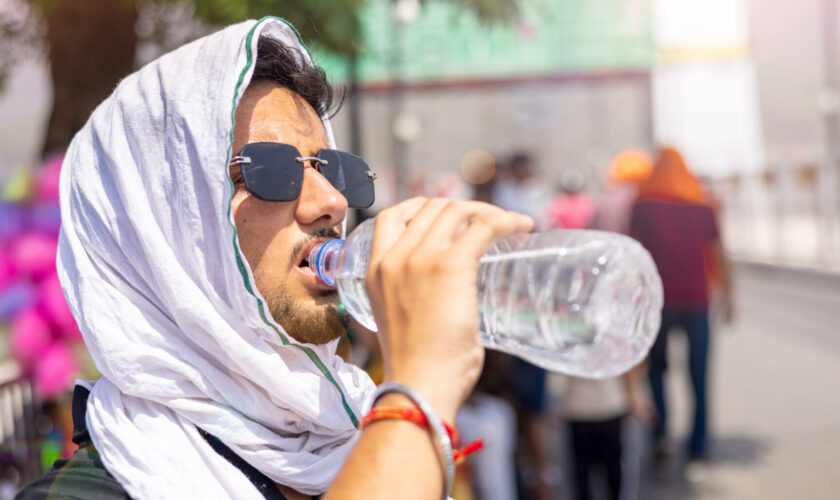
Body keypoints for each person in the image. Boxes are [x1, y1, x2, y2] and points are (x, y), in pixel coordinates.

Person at [17, 18, 533, 499]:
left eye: (331, 166)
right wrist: (419, 388)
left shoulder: (352, 429)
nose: (331, 201)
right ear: (160, 228)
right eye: (268, 168)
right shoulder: (91, 492)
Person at [629, 147, 732, 472]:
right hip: (696, 300)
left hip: (658, 303)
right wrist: (729, 297)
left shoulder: (643, 205)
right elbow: (717, 252)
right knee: (698, 374)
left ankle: (660, 436)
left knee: (657, 371)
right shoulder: (700, 203)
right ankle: (698, 444)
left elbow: (635, 254)